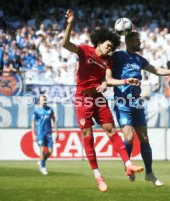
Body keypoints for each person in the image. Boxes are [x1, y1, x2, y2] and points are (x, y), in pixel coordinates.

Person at [62, 10, 144, 192]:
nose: (109, 49)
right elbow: (65, 43)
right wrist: (70, 23)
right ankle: (98, 176)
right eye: (108, 46)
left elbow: (107, 79)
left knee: (110, 130)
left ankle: (128, 164)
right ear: (99, 42)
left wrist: (116, 82)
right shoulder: (85, 50)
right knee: (87, 135)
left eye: (112, 47)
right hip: (83, 98)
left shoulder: (108, 60)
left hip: (98, 98)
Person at [109, 31, 170, 186]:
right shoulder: (118, 56)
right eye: (137, 40)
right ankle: (128, 167)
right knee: (129, 138)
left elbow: (157, 71)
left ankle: (149, 173)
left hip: (137, 102)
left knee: (144, 139)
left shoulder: (140, 59)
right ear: (129, 41)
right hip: (122, 102)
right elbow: (106, 67)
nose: (140, 43)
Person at [31, 95, 58, 175]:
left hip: (49, 133)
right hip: (40, 133)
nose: (44, 101)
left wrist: (56, 132)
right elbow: (33, 122)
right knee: (42, 150)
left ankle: (41, 161)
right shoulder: (36, 111)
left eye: (45, 100)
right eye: (42, 100)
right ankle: (43, 167)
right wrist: (33, 134)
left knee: (50, 151)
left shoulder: (50, 110)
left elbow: (54, 120)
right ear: (39, 101)